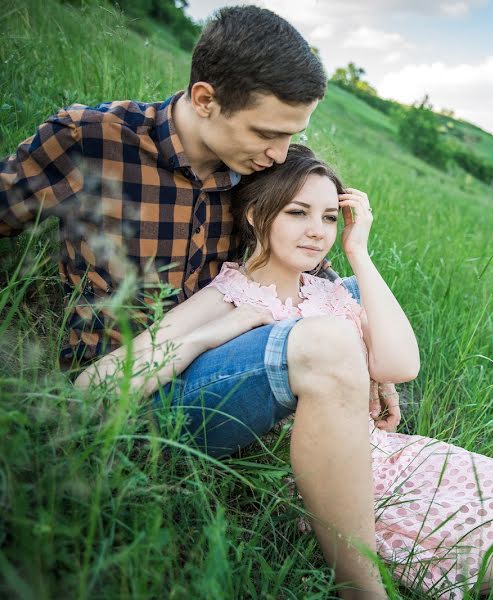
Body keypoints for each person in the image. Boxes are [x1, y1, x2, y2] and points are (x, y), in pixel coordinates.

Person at [76, 144, 493, 599]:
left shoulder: (330, 291)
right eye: (298, 213)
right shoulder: (231, 295)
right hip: (335, 477)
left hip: (385, 454)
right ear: (256, 215)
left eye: (327, 217)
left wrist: (358, 252)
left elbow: (400, 365)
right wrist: (212, 335)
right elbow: (93, 385)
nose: (316, 232)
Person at [1, 6, 392, 598]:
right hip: (124, 395)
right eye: (267, 133)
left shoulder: (257, 172)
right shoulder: (92, 140)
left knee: (356, 298)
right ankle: (364, 590)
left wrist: (366, 350)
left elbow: (302, 265)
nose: (282, 154)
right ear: (205, 98)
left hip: (220, 363)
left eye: (294, 135)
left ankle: (347, 456)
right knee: (329, 342)